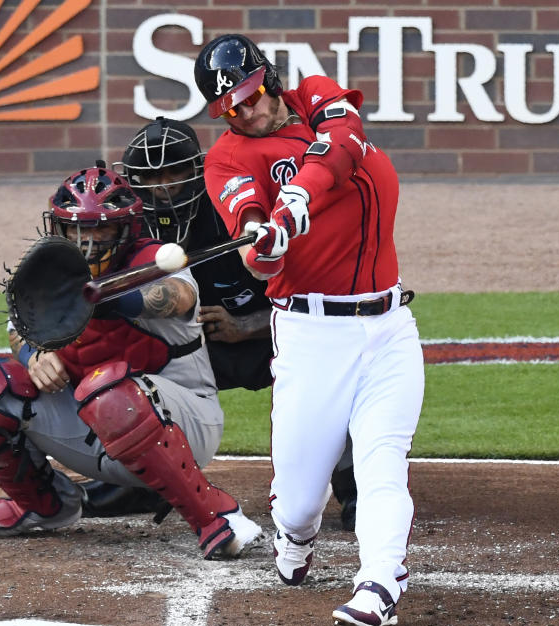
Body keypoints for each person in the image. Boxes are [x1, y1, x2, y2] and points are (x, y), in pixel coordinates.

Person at [193, 35, 425, 626]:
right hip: (311, 334)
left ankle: (379, 583)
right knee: (298, 503)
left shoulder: (316, 95)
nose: (247, 112)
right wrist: (265, 245)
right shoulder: (225, 159)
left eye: (250, 96)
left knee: (382, 462)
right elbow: (252, 242)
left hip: (390, 327)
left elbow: (343, 144)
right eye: (232, 108)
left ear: (267, 80)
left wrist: (296, 201)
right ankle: (295, 537)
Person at [0, 165, 264, 560]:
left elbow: (178, 296)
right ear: (59, 228)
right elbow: (19, 330)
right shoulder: (47, 272)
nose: (88, 242)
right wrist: (35, 356)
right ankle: (43, 506)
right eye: (76, 229)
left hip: (186, 423)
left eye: (102, 230)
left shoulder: (157, 261)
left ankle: (214, 515)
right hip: (91, 429)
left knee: (109, 390)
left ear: (127, 229)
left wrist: (107, 297)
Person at [78, 117, 360, 531]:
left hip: (269, 335)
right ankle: (144, 482)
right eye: (148, 177)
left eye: (172, 172)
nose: (161, 187)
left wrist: (249, 324)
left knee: (332, 365)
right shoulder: (125, 224)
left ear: (197, 169)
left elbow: (318, 300)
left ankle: (354, 486)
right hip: (185, 353)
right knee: (116, 364)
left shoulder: (241, 206)